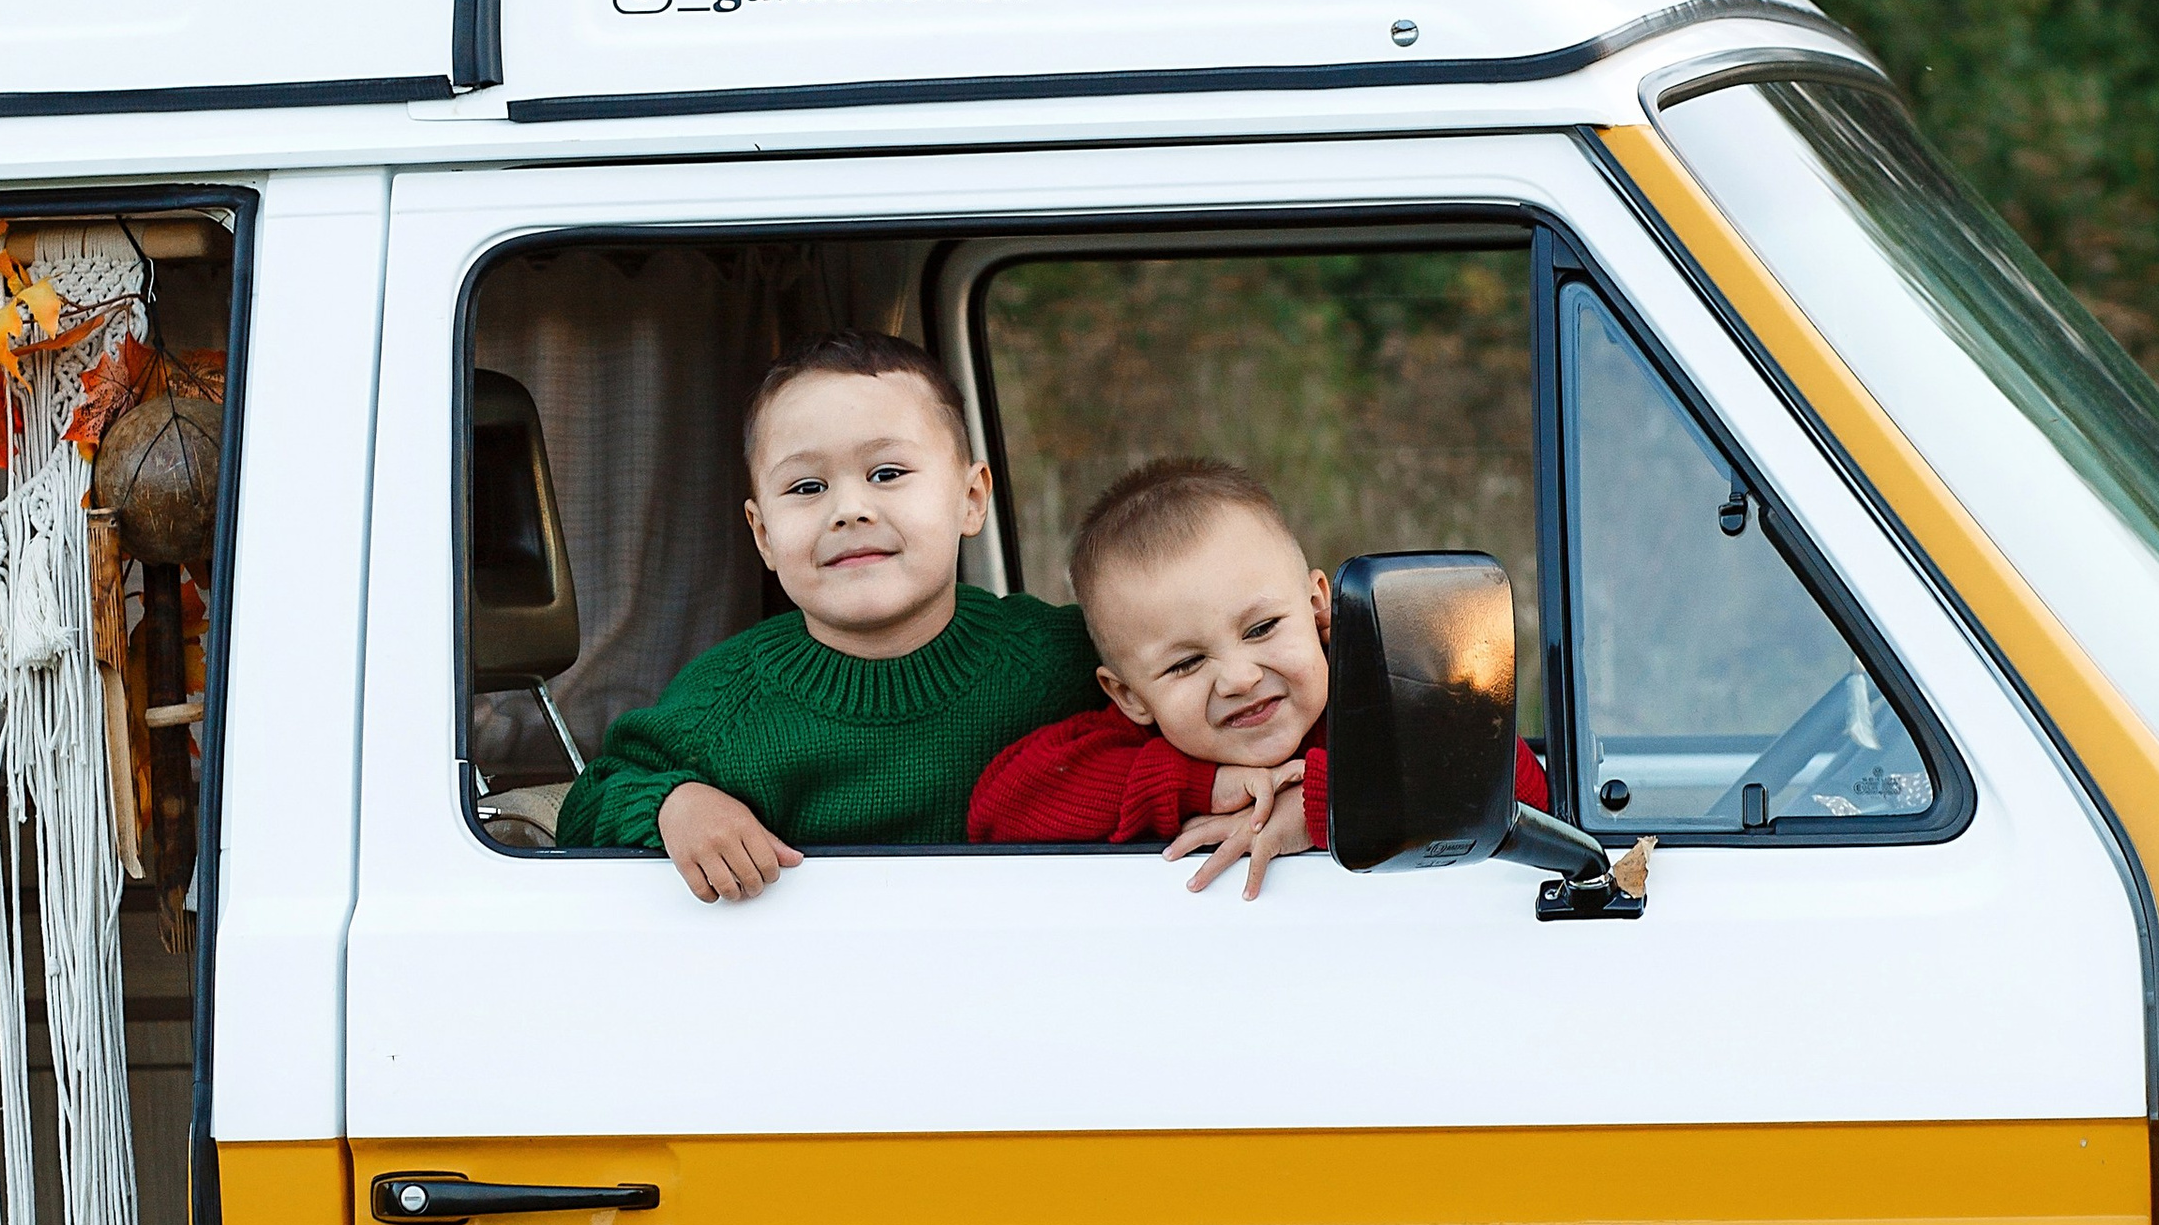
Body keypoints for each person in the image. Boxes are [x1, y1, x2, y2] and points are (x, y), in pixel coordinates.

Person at [555, 328, 1096, 899]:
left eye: (887, 474)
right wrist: (675, 805)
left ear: (971, 499)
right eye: (808, 486)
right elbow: (590, 803)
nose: (850, 510)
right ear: (763, 534)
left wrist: (1203, 792)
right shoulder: (723, 701)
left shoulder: (1061, 659)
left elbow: (1180, 709)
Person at [970, 455, 1547, 896]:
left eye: (1262, 628)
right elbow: (999, 809)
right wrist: (1203, 787)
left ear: (1321, 607)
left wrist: (1324, 807)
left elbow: (1519, 794)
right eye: (1186, 663)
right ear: (1128, 696)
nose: (1239, 678)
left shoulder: (1390, 704)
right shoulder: (1134, 745)